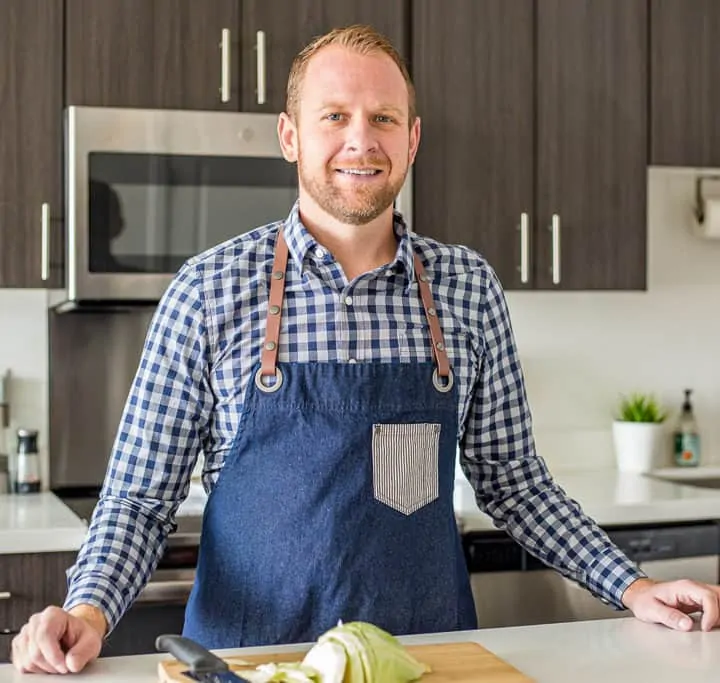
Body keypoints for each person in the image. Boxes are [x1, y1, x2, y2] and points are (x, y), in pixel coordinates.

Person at [12, 24, 720, 675]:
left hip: (422, 658)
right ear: (290, 136)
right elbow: (139, 498)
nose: (361, 140)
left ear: (412, 140)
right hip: (251, 663)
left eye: (384, 118)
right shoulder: (209, 289)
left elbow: (515, 482)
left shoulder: (466, 289)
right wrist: (87, 610)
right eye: (335, 116)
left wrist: (633, 584)